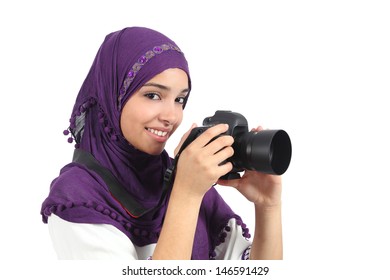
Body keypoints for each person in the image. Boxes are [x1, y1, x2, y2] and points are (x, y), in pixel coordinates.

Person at [40, 27, 283, 260]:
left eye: (179, 99)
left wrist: (268, 207)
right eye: (153, 95)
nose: (172, 116)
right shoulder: (77, 197)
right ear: (112, 95)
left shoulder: (182, 176)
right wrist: (186, 194)